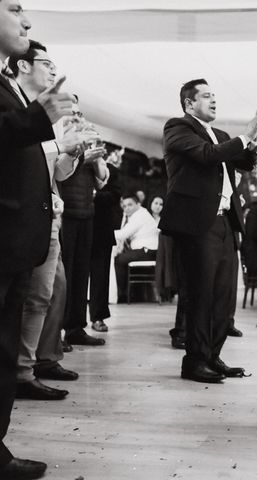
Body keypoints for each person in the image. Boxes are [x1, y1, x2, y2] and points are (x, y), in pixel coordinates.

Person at [0, 1, 76, 477]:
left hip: (17, 241)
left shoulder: (8, 85)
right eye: (14, 10)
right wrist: (38, 118)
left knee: (4, 350)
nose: (27, 22)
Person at [159, 78, 257, 383]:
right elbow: (207, 156)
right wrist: (244, 136)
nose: (214, 100)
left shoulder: (219, 135)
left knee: (223, 296)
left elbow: (245, 161)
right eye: (207, 96)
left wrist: (255, 140)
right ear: (189, 103)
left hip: (224, 222)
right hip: (195, 224)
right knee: (199, 295)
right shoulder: (177, 127)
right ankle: (194, 362)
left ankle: (213, 356)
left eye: (214, 95)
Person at [12, 40, 92, 400]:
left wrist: (74, 153)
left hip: (50, 213)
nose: (54, 72)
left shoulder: (50, 119)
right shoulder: (17, 107)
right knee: (19, 296)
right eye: (47, 64)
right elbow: (17, 151)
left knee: (41, 297)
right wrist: (62, 145)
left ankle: (25, 371)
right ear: (23, 66)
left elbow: (57, 172)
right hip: (18, 216)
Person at [58, 99, 110, 347]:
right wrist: (79, 156)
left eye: (79, 112)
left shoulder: (89, 136)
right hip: (63, 214)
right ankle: (54, 335)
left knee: (81, 274)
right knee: (62, 277)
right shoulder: (57, 138)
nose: (77, 116)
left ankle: (75, 327)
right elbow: (57, 174)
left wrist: (98, 159)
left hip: (86, 213)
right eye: (72, 112)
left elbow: (102, 181)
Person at [89, 151, 122, 332]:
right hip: (78, 226)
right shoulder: (77, 168)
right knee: (74, 277)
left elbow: (114, 196)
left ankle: (98, 317)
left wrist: (92, 194)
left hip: (101, 229)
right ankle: (70, 322)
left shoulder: (112, 170)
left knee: (100, 277)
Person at [113, 193, 158, 301]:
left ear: (138, 204)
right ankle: (130, 294)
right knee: (121, 257)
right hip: (146, 250)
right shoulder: (137, 214)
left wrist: (105, 234)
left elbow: (123, 234)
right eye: (124, 206)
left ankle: (123, 295)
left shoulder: (140, 215)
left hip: (148, 250)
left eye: (130, 205)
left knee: (119, 260)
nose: (127, 208)